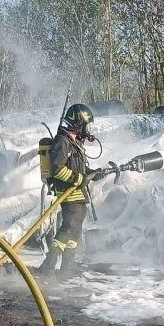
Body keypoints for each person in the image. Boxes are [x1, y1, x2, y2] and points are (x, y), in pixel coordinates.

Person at [39, 103, 103, 279]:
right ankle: (48, 267)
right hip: (70, 194)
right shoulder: (62, 142)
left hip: (78, 194)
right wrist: (79, 179)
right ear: (78, 123)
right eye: (85, 125)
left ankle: (67, 268)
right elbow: (57, 169)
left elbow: (78, 169)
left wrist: (93, 174)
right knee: (67, 230)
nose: (87, 129)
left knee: (74, 232)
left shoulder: (75, 143)